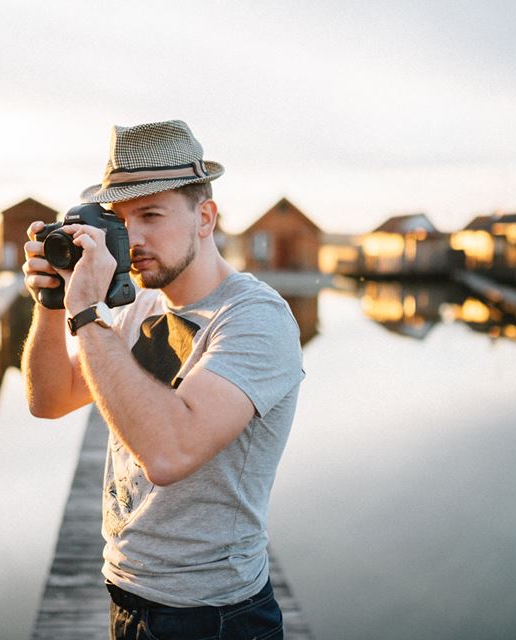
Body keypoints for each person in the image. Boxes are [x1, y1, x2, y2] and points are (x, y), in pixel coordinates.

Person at [21, 120, 304, 639]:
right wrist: (51, 302)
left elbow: (169, 453)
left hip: (215, 615)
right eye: (123, 220)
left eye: (151, 214)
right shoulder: (142, 305)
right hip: (128, 595)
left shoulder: (254, 318)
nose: (134, 238)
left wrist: (86, 313)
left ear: (205, 216)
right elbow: (49, 400)